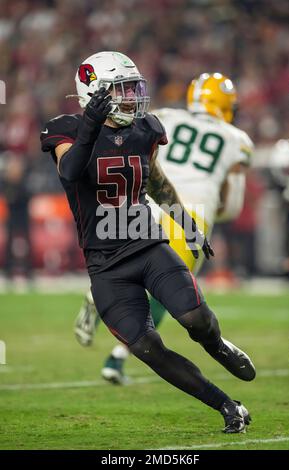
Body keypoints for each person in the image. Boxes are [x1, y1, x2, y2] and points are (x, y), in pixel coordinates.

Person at [41, 51, 255, 433]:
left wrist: (188, 226)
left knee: (195, 319)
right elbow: (71, 171)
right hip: (106, 266)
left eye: (131, 88)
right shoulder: (67, 128)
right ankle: (227, 405)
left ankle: (220, 346)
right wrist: (90, 125)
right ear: (95, 94)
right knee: (147, 350)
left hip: (147, 245)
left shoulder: (145, 129)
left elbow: (157, 183)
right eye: (121, 90)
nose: (130, 97)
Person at [74, 72, 254, 383]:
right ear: (225, 105)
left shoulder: (165, 117)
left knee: (134, 275)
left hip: (150, 205)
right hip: (192, 213)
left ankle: (98, 299)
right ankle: (116, 359)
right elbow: (232, 207)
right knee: (173, 296)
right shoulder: (236, 139)